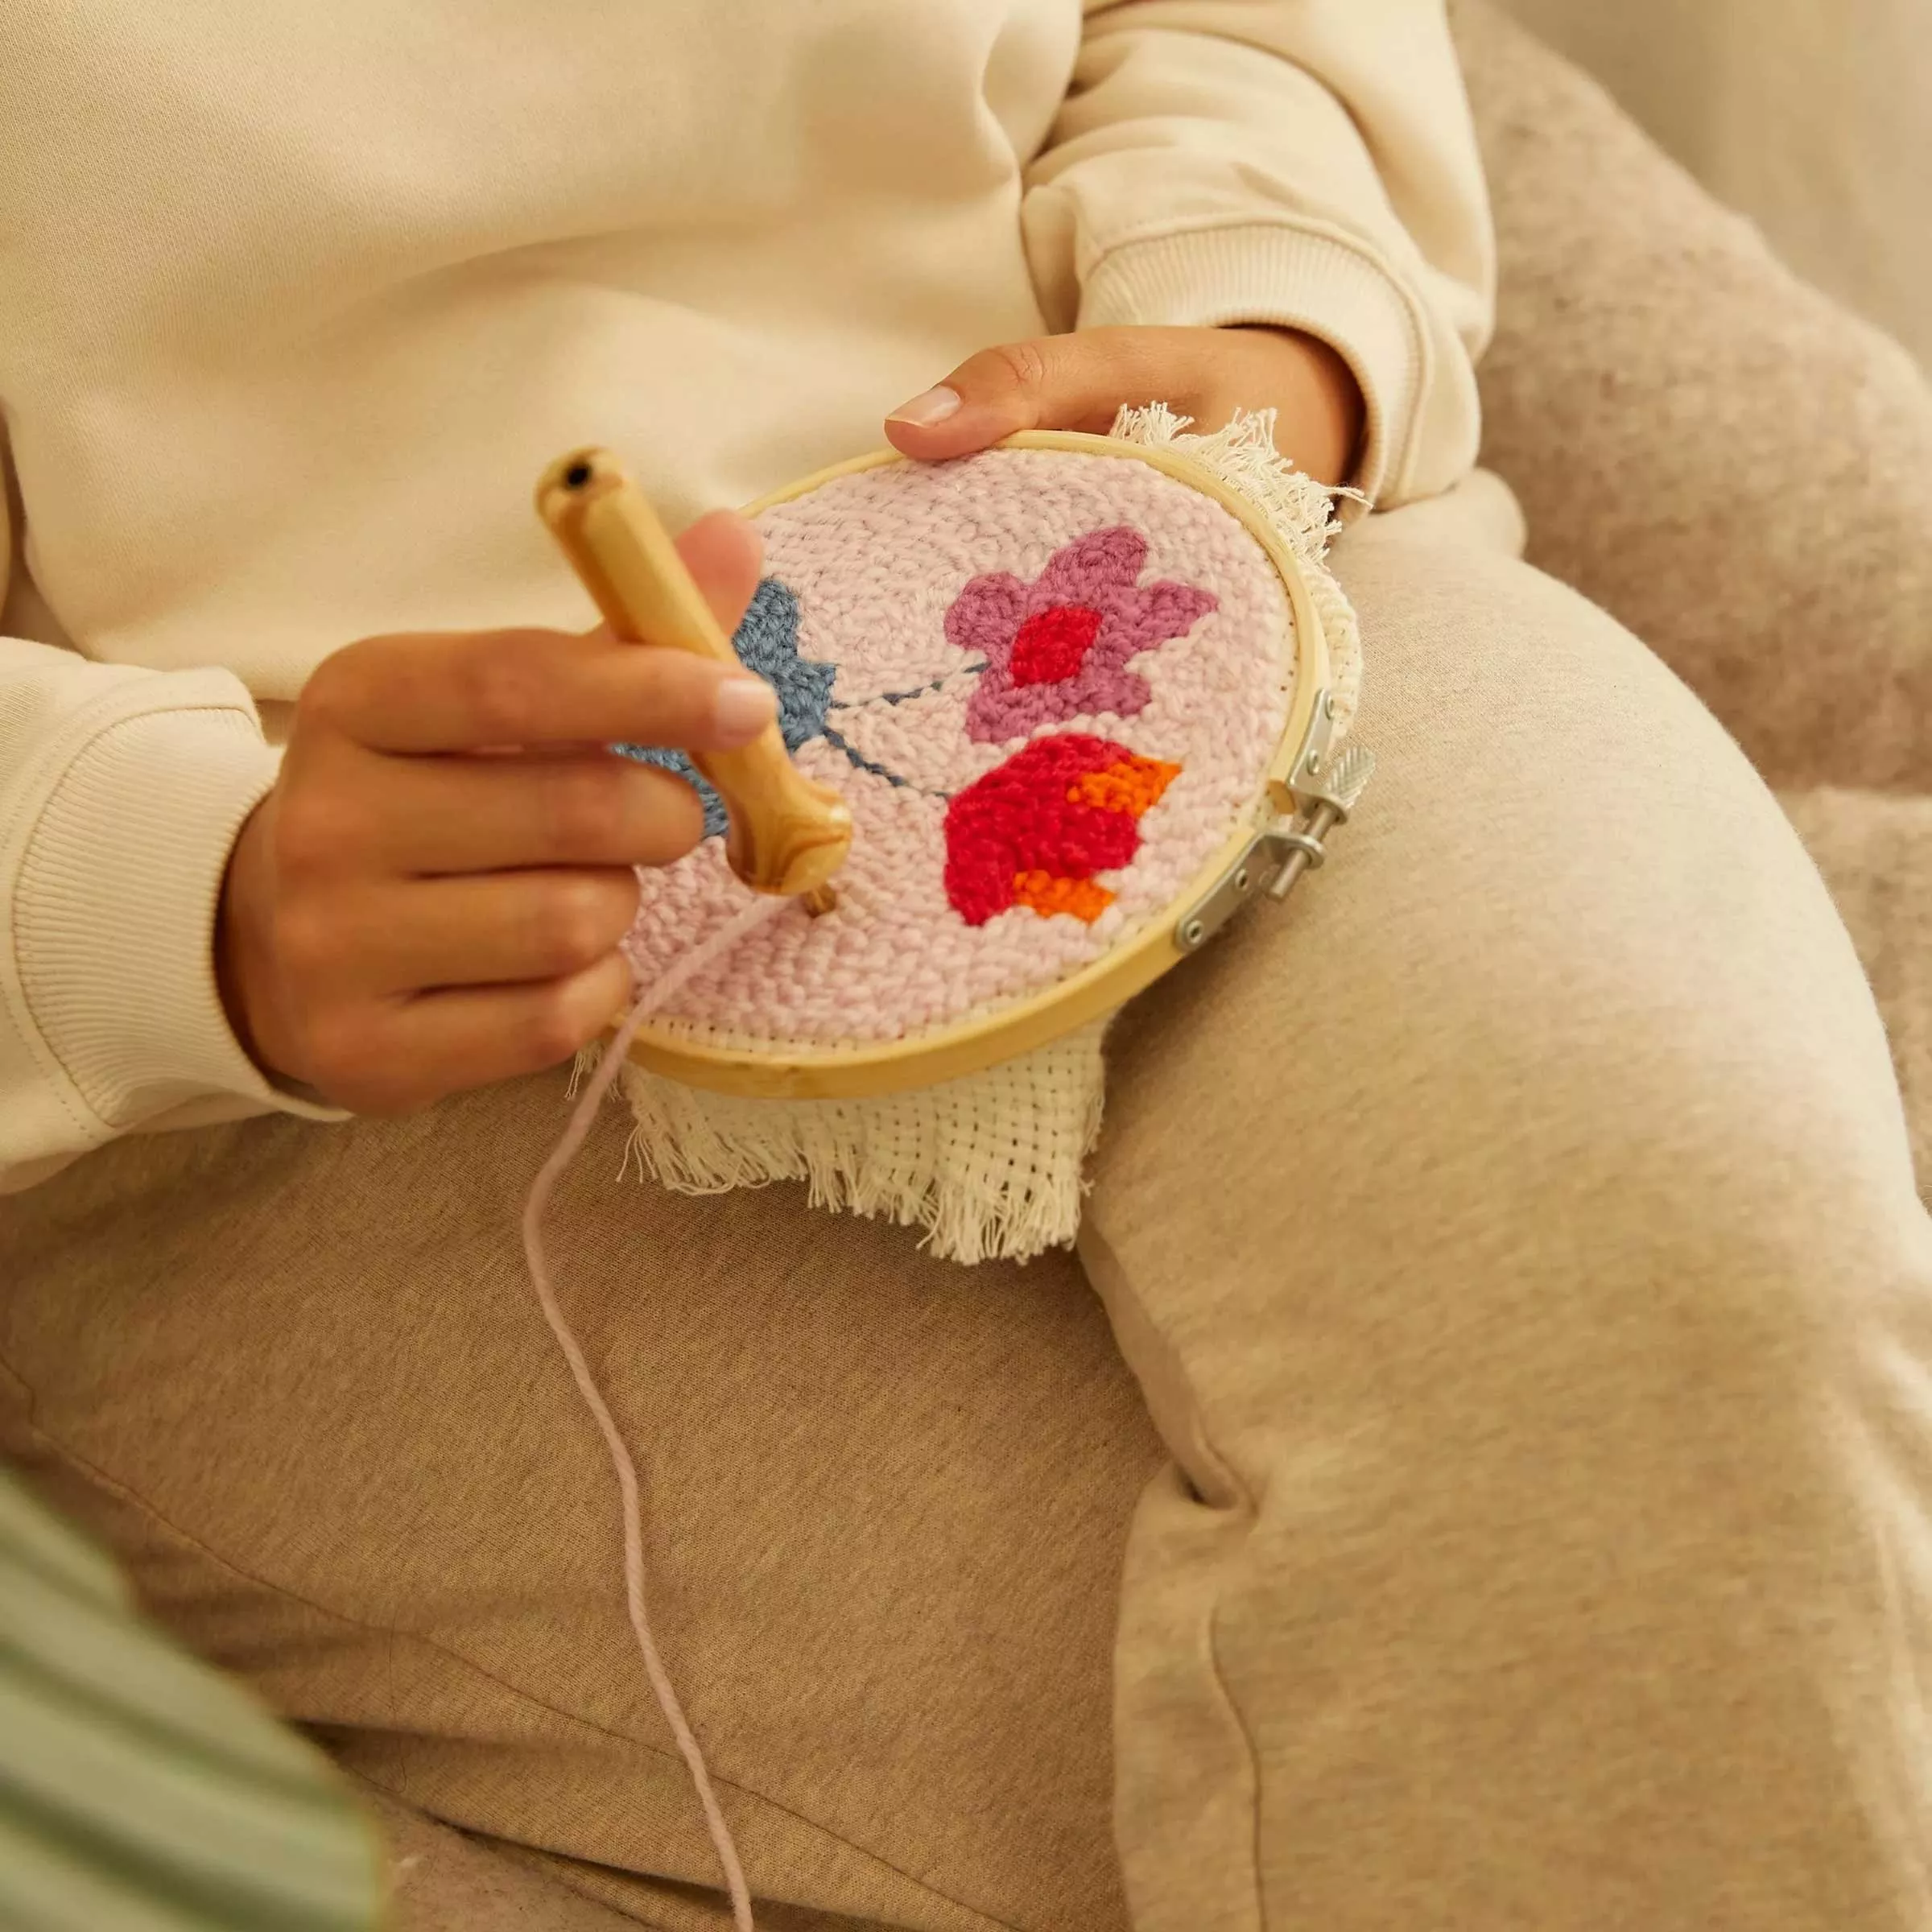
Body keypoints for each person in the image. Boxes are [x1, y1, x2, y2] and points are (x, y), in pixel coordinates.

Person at [2, 5, 1929, 1929]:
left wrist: (1269, 295)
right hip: (321, 956)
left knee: (1655, 1423)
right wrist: (179, 886)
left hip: (1153, 535)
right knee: (1483, 1684)